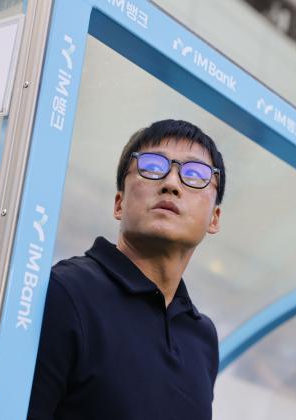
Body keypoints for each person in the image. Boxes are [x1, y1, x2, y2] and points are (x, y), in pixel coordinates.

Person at [28, 119, 225, 420]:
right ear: (119, 203)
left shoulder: (203, 336)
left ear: (214, 218)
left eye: (194, 174)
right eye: (152, 167)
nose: (171, 184)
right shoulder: (66, 292)